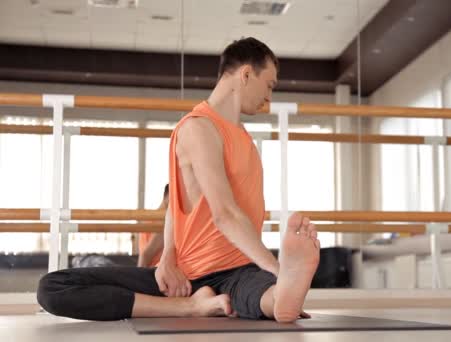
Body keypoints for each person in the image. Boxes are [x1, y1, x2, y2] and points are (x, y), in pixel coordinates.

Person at [36, 37, 320, 323]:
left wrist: (282, 278)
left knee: (269, 298)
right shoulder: (199, 128)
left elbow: (178, 201)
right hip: (187, 279)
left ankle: (283, 295)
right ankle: (196, 306)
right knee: (53, 287)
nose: (269, 97)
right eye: (269, 85)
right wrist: (169, 258)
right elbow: (224, 214)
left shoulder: (245, 139)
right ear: (246, 74)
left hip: (241, 270)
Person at [137, 184, 169, 268]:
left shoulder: (151, 218)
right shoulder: (164, 220)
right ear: (166, 197)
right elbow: (146, 254)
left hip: (154, 269)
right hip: (155, 270)